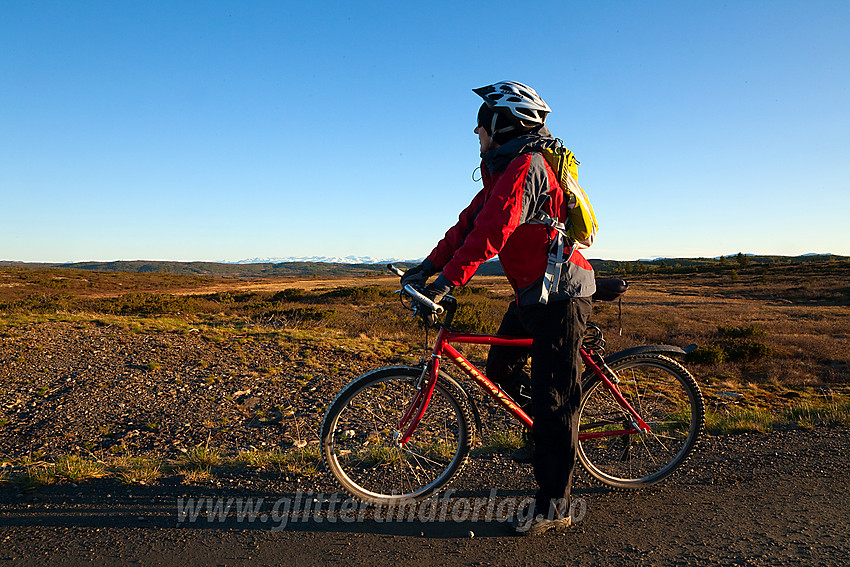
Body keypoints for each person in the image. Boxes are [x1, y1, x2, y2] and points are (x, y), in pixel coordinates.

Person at [400, 81, 596, 536]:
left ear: (504, 125)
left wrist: (448, 282)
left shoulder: (527, 167)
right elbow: (469, 224)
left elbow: (493, 232)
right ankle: (543, 432)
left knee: (553, 403)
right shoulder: (502, 169)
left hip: (561, 296)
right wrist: (427, 267)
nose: (476, 130)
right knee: (500, 370)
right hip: (532, 292)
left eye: (483, 122)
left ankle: (555, 506)